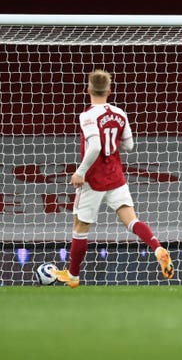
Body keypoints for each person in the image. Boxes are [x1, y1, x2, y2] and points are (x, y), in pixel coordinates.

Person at [55, 69, 174, 287]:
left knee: (80, 227)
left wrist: (80, 171)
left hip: (94, 179)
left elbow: (96, 146)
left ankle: (72, 276)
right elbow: (129, 145)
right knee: (131, 219)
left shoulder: (87, 115)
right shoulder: (120, 113)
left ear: (88, 90)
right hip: (116, 176)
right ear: (109, 91)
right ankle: (157, 247)